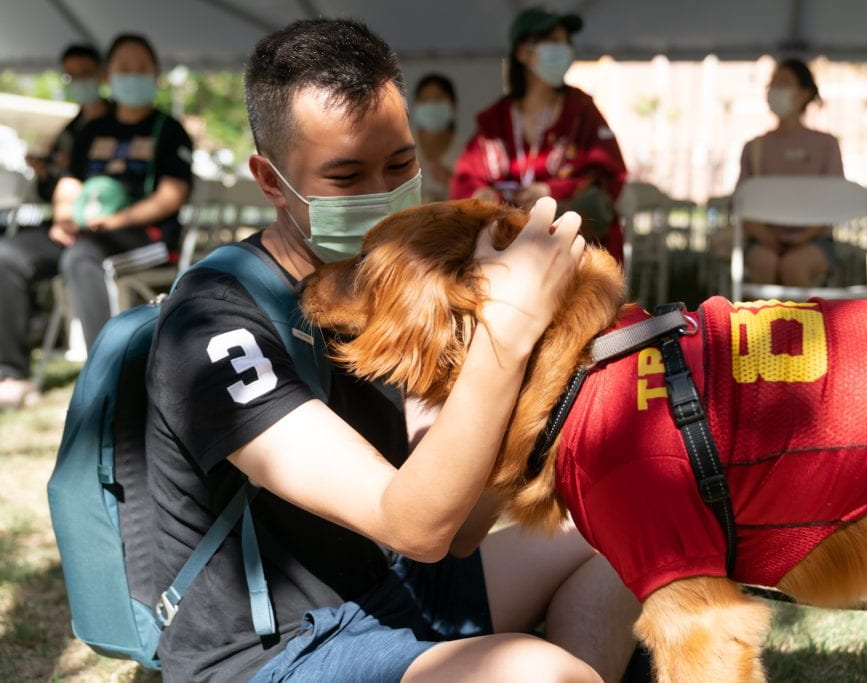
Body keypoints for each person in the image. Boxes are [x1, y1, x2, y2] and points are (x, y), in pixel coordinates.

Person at [145, 18, 639, 682]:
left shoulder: (389, 282)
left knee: (633, 535)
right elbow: (412, 522)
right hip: (279, 649)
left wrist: (553, 367)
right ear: (269, 179)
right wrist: (511, 325)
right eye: (346, 175)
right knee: (539, 674)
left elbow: (459, 525)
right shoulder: (212, 322)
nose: (381, 194)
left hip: (395, 589)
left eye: (400, 164)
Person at [0, 33, 192, 409]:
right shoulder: (91, 130)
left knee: (84, 258)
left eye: (141, 69)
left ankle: (108, 379)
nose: (131, 76)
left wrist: (117, 219)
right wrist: (64, 216)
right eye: (123, 68)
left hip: (147, 237)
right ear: (108, 76)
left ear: (155, 76)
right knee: (8, 255)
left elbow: (171, 196)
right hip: (87, 231)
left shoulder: (168, 129)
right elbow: (69, 182)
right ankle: (13, 375)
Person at [450, 7, 628, 263]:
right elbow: (466, 179)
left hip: (574, 250)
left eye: (567, 43)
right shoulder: (495, 120)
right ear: (523, 52)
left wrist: (552, 189)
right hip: (506, 250)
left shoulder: (582, 111)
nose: (564, 50)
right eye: (554, 42)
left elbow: (608, 175)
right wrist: (481, 195)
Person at [736, 57, 844, 287]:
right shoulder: (754, 147)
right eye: (772, 84)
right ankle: (759, 323)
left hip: (816, 240)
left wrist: (802, 238)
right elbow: (743, 204)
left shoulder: (826, 144)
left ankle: (801, 323)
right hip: (763, 240)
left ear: (804, 93)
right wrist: (766, 237)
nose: (775, 90)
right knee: (764, 263)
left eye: (783, 83)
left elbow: (834, 202)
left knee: (795, 267)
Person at [24, 44, 111, 203]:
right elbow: (50, 192)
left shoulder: (122, 121)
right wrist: (45, 175)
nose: (78, 81)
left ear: (102, 74)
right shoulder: (68, 132)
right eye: (71, 76)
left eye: (85, 73)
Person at [411, 73, 463, 202]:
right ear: (415, 107)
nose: (431, 105)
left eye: (438, 98)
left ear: (454, 107)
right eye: (424, 99)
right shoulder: (403, 147)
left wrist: (455, 183)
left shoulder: (467, 151)